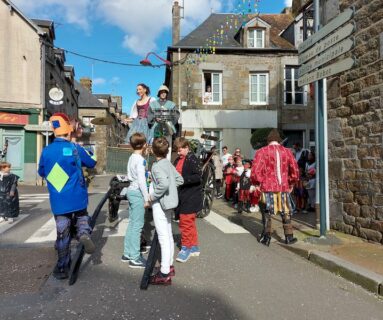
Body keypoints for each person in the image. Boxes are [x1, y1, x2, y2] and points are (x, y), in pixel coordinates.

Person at [38, 113, 97, 280]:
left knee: (62, 232)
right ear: (69, 131)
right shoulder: (74, 149)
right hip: (77, 196)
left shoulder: (47, 150)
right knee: (82, 216)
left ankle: (63, 267)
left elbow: (42, 172)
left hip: (59, 199)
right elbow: (92, 162)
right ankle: (84, 233)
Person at [251, 129, 299, 246]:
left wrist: (257, 183)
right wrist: (291, 183)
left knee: (267, 212)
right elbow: (295, 169)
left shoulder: (261, 152)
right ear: (279, 140)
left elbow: (256, 171)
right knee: (285, 211)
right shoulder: (287, 152)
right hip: (283, 187)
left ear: (268, 140)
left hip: (267, 187)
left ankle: (266, 238)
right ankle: (289, 237)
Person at [148, 137, 184, 285]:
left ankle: (164, 273)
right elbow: (180, 180)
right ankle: (168, 266)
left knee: (163, 237)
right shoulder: (168, 164)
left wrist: (152, 196)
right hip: (170, 203)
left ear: (153, 150)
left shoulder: (156, 166)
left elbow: (162, 184)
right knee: (168, 235)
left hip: (160, 204)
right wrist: (170, 188)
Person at [121, 132, 151, 268]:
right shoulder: (140, 160)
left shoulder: (132, 157)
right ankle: (135, 257)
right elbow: (142, 181)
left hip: (131, 191)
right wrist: (146, 198)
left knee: (132, 224)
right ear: (144, 145)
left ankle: (127, 253)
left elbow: (129, 176)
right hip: (138, 192)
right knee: (138, 225)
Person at [173, 137, 202, 263]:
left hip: (191, 196)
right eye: (177, 150)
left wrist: (182, 180)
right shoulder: (179, 159)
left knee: (185, 223)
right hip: (184, 195)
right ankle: (194, 246)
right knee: (189, 223)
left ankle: (186, 248)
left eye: (180, 150)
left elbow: (198, 177)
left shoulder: (192, 159)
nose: (178, 153)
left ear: (186, 148)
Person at [148, 85, 180, 159]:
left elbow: (176, 115)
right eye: (161, 92)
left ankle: (166, 164)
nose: (163, 94)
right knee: (156, 147)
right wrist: (155, 118)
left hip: (167, 129)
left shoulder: (172, 104)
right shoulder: (153, 104)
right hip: (156, 129)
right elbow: (149, 116)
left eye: (165, 92)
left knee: (167, 147)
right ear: (159, 93)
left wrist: (169, 119)